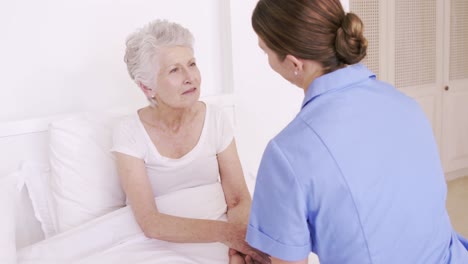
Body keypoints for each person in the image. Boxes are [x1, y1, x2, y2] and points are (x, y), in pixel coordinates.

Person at [246, 0, 468, 263]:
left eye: (265, 52)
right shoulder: (406, 105)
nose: (268, 61)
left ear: (294, 63)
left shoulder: (287, 153)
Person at [112, 19, 270, 264]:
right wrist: (230, 236)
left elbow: (238, 198)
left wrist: (238, 251)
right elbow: (151, 223)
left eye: (192, 64)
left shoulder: (215, 118)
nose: (190, 77)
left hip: (222, 236)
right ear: (146, 87)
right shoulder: (129, 131)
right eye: (174, 70)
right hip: (157, 244)